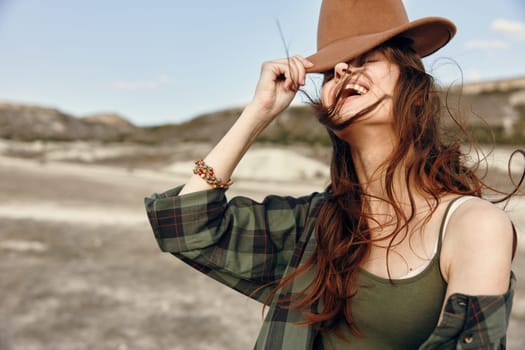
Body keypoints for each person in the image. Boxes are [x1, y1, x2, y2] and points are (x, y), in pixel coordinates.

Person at [145, 0, 521, 348]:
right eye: (331, 70)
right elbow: (184, 228)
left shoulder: (473, 227)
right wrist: (258, 113)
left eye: (367, 58)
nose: (342, 69)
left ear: (414, 88)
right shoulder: (315, 226)